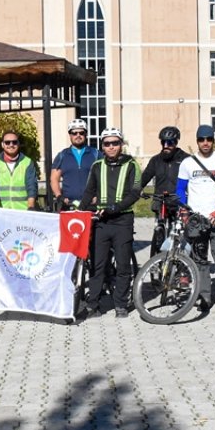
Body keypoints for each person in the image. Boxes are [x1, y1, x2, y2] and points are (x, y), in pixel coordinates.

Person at [78, 127, 141, 319]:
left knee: (123, 265)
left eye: (115, 143)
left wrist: (115, 208)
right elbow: (89, 191)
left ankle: (120, 304)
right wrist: (79, 211)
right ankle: (93, 305)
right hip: (101, 221)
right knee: (98, 265)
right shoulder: (97, 166)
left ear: (121, 144)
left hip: (122, 220)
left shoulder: (132, 164)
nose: (111, 147)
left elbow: (135, 193)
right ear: (102, 146)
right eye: (107, 144)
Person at [174, 125, 215, 311]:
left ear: (213, 140)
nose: (205, 143)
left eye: (209, 139)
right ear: (197, 141)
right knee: (199, 260)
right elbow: (179, 189)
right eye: (202, 139)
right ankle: (204, 297)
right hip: (196, 219)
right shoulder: (188, 163)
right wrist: (185, 211)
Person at [141, 126, 188, 255]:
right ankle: (158, 251)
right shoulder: (156, 160)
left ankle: (180, 259)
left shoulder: (185, 159)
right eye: (164, 142)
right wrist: (136, 189)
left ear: (176, 142)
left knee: (180, 232)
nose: (166, 145)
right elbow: (144, 177)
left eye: (170, 142)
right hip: (160, 200)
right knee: (159, 228)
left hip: (178, 201)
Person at [50, 119, 97, 211]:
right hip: (68, 205)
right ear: (70, 135)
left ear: (86, 134)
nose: (78, 135)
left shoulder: (96, 154)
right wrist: (59, 196)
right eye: (74, 133)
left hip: (91, 205)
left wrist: (98, 196)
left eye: (81, 133)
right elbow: (53, 179)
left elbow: (104, 178)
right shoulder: (62, 155)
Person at [0, 130, 38, 210]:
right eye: (7, 142)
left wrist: (30, 207)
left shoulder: (27, 162)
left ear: (18, 144)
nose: (11, 145)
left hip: (23, 212)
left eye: (14, 142)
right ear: (2, 145)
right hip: (3, 212)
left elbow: (32, 187)